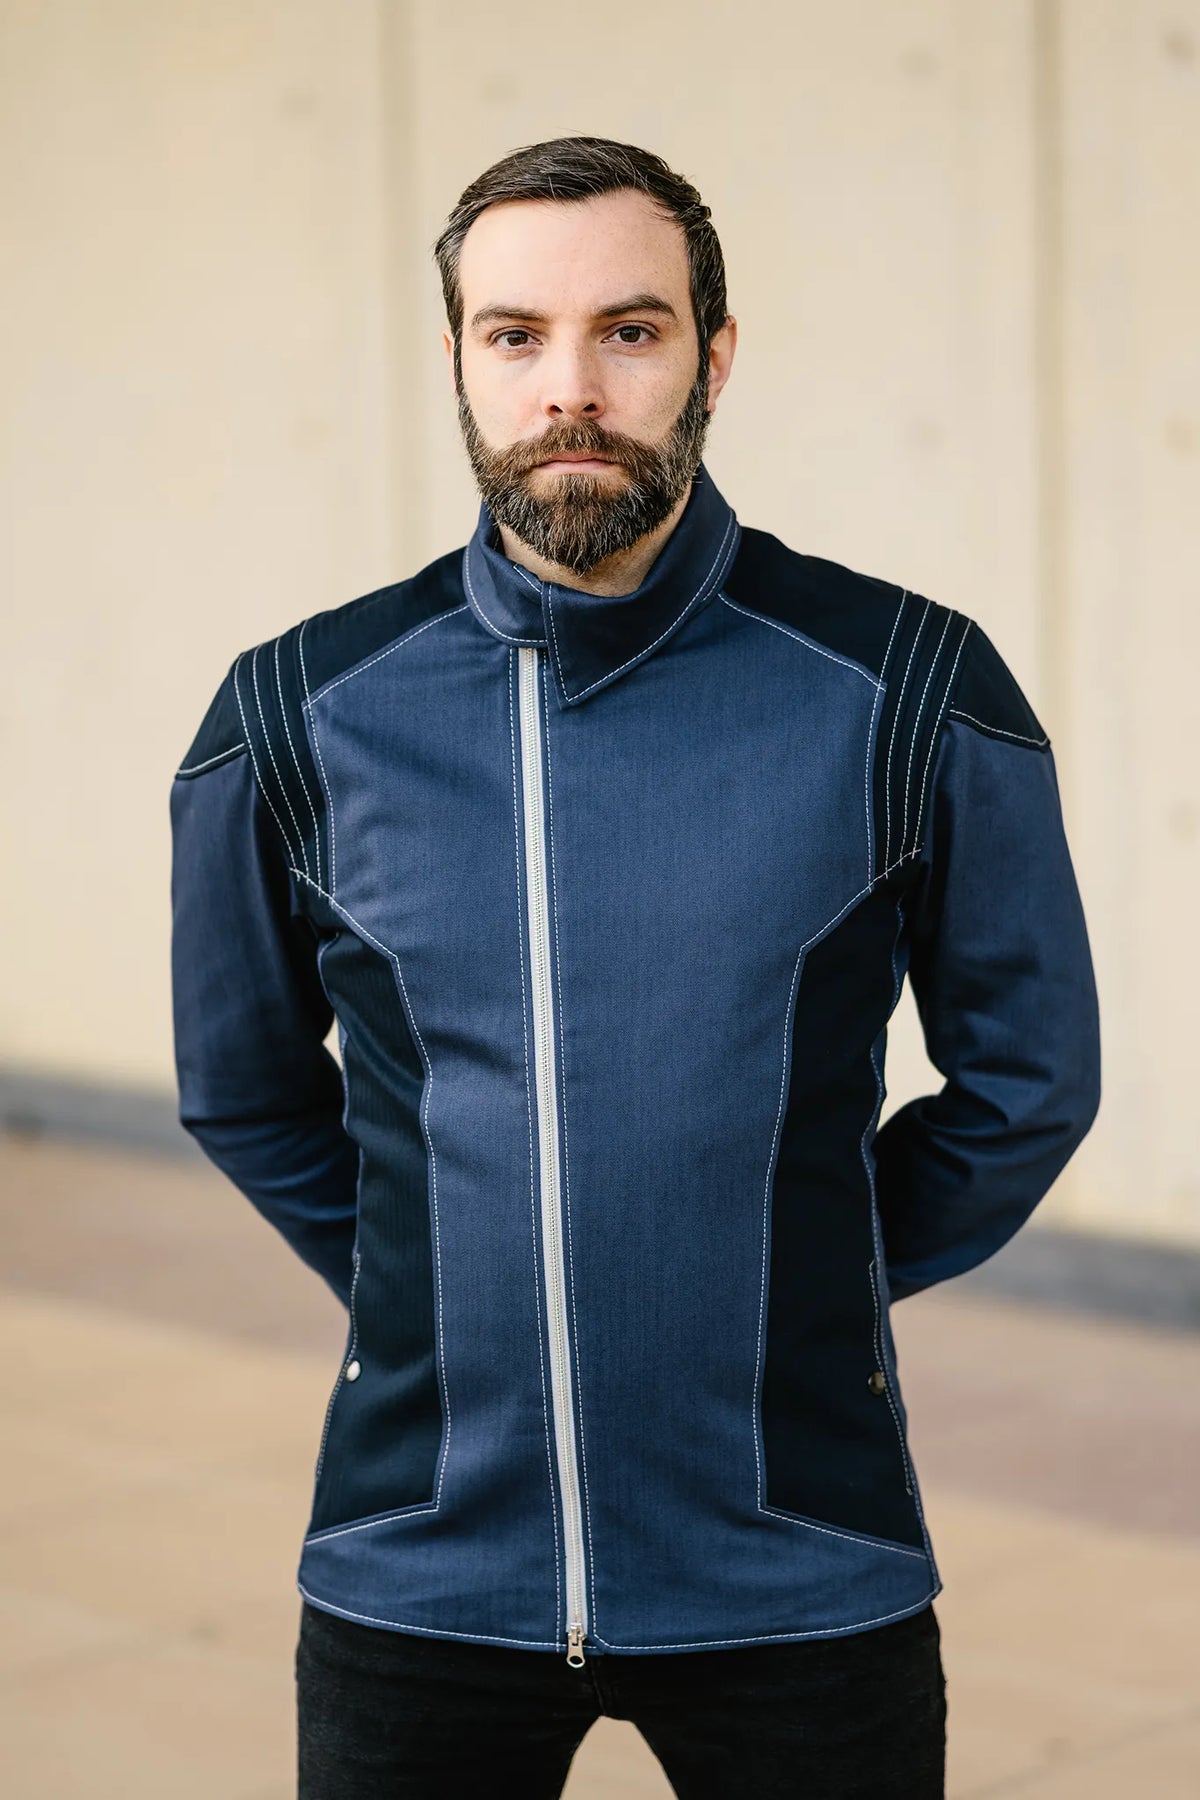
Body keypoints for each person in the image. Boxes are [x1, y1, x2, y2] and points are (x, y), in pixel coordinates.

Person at [169, 135, 1102, 1798]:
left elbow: (1031, 1082)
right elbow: (242, 1089)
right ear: (458, 358)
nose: (572, 389)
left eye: (632, 329)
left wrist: (802, 1277)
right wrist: (425, 1287)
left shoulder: (906, 685)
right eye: (516, 334)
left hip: (799, 1561)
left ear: (714, 356)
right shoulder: (297, 714)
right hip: (421, 1567)